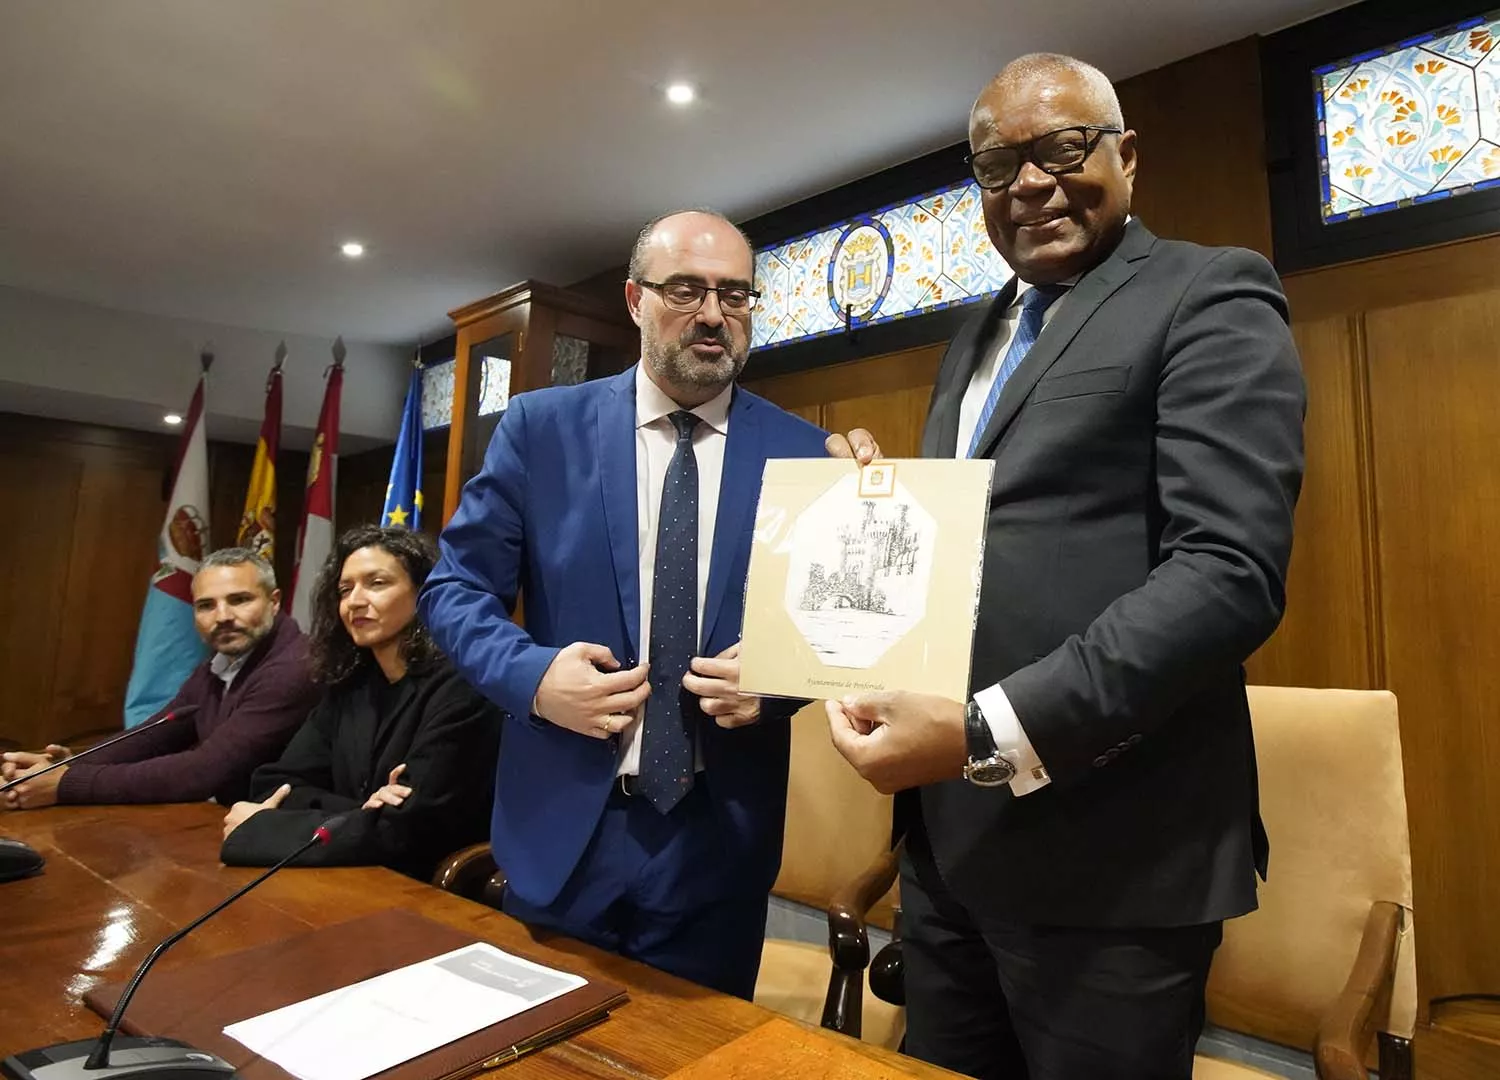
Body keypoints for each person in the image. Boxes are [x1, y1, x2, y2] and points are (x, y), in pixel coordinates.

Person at [825, 54, 1306, 1080]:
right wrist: (872, 512)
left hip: (1114, 861)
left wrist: (984, 733)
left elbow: (1229, 572)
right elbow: (990, 548)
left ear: (1127, 155)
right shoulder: (972, 337)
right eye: (998, 165)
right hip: (946, 851)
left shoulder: (1208, 289)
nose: (1031, 183)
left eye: (1064, 147)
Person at [419, 209, 830, 998]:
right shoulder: (542, 429)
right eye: (686, 290)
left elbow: (836, 628)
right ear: (636, 299)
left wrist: (782, 680)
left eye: (735, 294)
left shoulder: (805, 452)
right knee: (543, 1047)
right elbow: (453, 590)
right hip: (565, 826)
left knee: (696, 1053)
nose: (713, 314)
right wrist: (535, 678)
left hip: (719, 839)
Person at [221, 525, 500, 881]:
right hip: (350, 871)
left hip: (426, 886)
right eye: (345, 589)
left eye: (377, 583)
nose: (354, 601)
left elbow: (410, 829)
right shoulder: (351, 686)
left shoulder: (464, 685)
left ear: (424, 592)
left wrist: (263, 829)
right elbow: (273, 783)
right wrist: (363, 811)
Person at [2, 548, 317, 810]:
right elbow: (157, 733)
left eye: (239, 600)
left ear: (274, 602)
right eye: (206, 605)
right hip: (231, 824)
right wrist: (65, 765)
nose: (222, 616)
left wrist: (66, 784)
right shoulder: (223, 663)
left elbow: (204, 771)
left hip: (288, 838)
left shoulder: (295, 667)